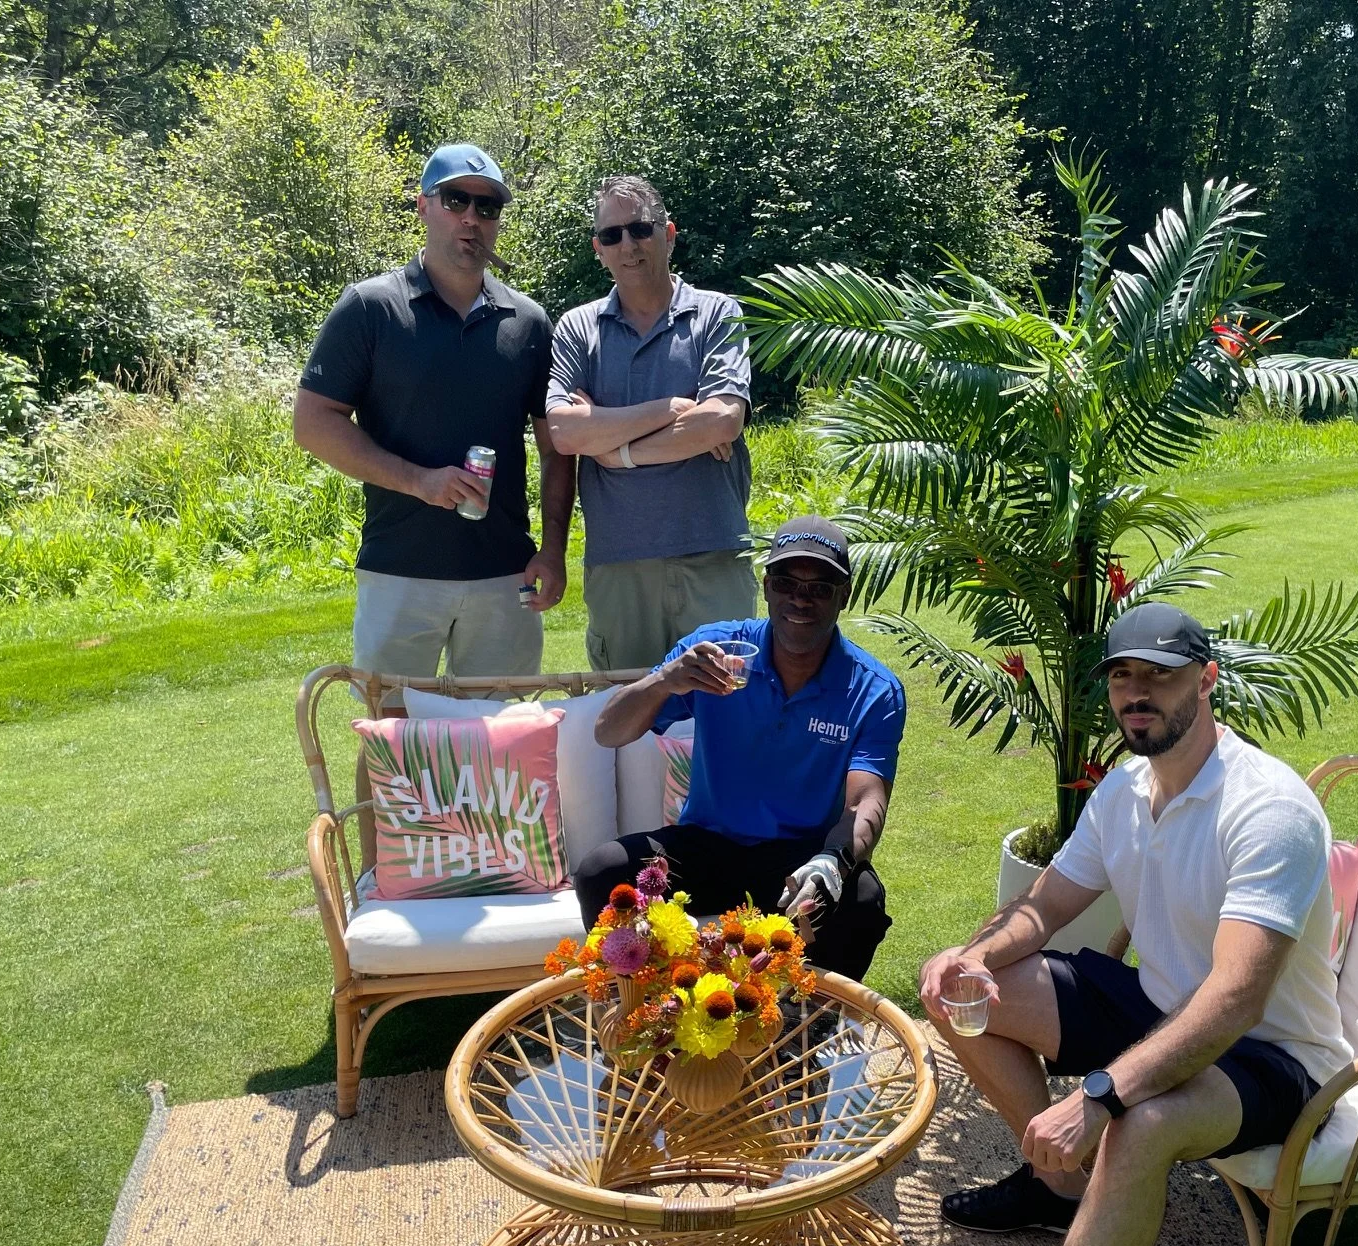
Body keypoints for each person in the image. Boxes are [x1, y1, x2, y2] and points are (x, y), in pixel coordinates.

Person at [910, 602, 1355, 1246]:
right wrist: (973, 956)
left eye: (1160, 674)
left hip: (1273, 1058)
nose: (1137, 692)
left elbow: (1236, 999)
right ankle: (1060, 1189)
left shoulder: (1267, 809)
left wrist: (1100, 1096)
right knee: (966, 999)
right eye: (1123, 675)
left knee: (1139, 1121)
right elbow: (1045, 906)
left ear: (1208, 680)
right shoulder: (1123, 789)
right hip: (1159, 1007)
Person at [574, 517, 902, 979]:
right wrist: (664, 681)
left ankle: (808, 1018)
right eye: (786, 583)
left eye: (819, 587)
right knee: (601, 871)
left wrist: (833, 860)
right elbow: (608, 731)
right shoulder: (718, 651)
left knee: (862, 900)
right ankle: (641, 1001)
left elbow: (866, 800)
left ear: (843, 595)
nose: (800, 598)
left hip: (797, 857)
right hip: (707, 844)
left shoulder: (872, 690)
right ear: (766, 586)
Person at [294, 143, 571, 680]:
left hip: (505, 574)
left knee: (502, 731)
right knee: (389, 726)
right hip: (399, 571)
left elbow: (556, 446)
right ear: (423, 206)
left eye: (487, 206)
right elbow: (313, 423)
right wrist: (419, 481)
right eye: (455, 200)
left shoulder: (529, 322)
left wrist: (554, 548)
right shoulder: (371, 308)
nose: (471, 218)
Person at [544, 174, 755, 671]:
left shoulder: (716, 314)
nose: (628, 245)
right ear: (598, 249)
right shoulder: (578, 328)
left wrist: (614, 451)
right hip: (619, 566)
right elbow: (565, 432)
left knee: (724, 705)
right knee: (627, 709)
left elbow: (722, 421)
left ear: (669, 234)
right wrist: (671, 409)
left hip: (714, 555)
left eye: (640, 229)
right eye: (612, 235)